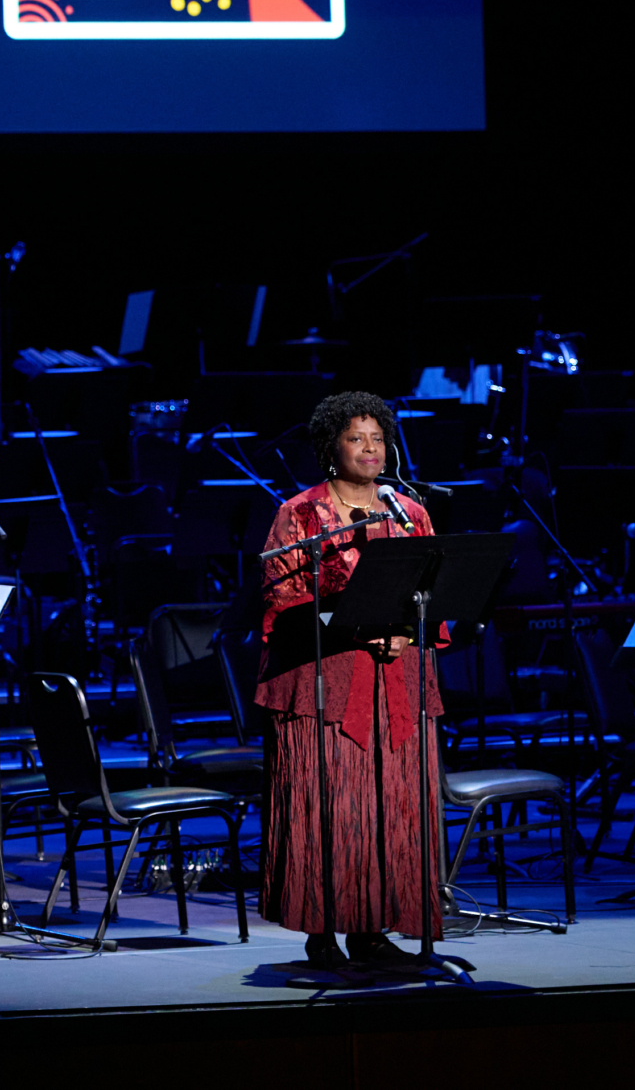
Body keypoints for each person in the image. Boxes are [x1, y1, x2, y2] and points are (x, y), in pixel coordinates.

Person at [255, 390, 443, 969]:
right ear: (330, 448)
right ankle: (323, 931)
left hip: (398, 683)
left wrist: (412, 634)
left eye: (378, 437)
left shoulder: (410, 513)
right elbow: (279, 598)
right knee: (332, 806)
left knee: (392, 807)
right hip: (327, 684)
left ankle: (373, 927)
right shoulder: (302, 514)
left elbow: (436, 593)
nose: (370, 448)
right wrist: (351, 626)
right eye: (356, 437)